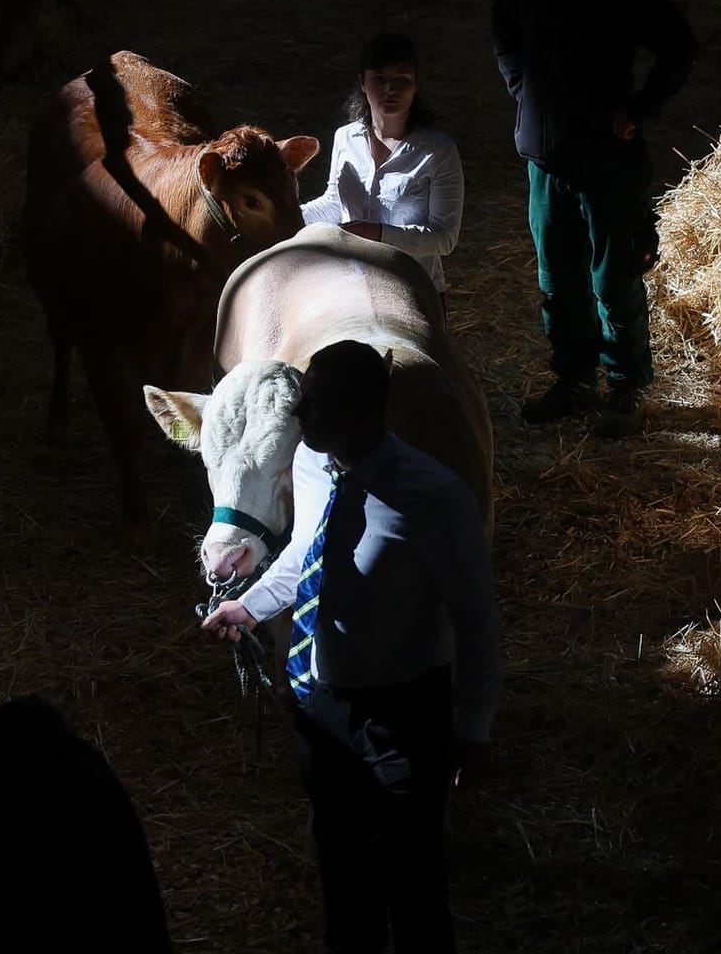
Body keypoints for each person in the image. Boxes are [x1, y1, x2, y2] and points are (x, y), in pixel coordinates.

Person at [200, 340, 501, 954]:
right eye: (303, 402)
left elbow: (476, 620)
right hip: (319, 703)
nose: (300, 419)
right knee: (340, 868)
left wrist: (474, 727)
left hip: (403, 715)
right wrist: (250, 607)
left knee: (414, 878)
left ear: (366, 411)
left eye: (316, 407)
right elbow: (304, 555)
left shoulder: (434, 499)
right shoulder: (312, 467)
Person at [493, 0, 698, 437]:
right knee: (556, 275)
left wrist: (638, 107)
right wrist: (521, 88)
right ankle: (573, 377)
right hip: (545, 156)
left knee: (615, 273)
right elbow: (503, 34)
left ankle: (626, 384)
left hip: (607, 157)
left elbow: (679, 47)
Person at [301, 32, 466, 316]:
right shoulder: (345, 138)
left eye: (402, 79)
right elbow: (333, 202)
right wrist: (285, 215)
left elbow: (444, 238)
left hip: (414, 291)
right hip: (351, 287)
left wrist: (376, 233)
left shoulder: (438, 151)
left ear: (416, 85)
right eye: (379, 79)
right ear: (362, 83)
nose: (391, 89)